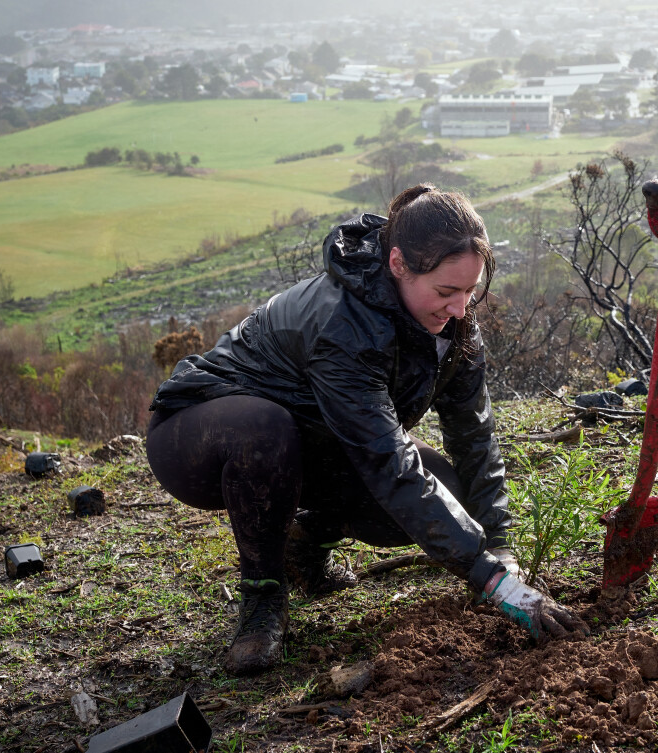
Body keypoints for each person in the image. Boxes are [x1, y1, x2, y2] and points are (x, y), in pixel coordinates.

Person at [146, 184, 587, 675]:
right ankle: (263, 597)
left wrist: (499, 546)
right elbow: (387, 462)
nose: (461, 308)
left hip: (315, 441)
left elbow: (474, 433)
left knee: (453, 498)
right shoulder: (342, 325)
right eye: (446, 291)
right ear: (398, 264)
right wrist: (492, 583)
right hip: (201, 439)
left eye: (470, 291)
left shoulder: (455, 322)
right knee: (265, 430)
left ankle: (303, 541)